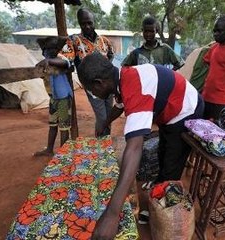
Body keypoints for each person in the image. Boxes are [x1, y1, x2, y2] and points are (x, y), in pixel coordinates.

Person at [77, 53, 204, 240]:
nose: (93, 94)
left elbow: (134, 148)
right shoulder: (120, 78)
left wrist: (112, 214)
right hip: (169, 113)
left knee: (171, 164)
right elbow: (119, 105)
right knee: (163, 152)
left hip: (186, 112)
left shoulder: (135, 88)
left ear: (99, 83)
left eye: (90, 91)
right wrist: (104, 122)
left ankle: (165, 214)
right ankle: (156, 201)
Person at [62, 8, 115, 137]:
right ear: (79, 23)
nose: (87, 26)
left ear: (94, 22)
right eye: (83, 23)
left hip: (108, 83)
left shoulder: (104, 40)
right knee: (102, 117)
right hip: (92, 86)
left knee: (109, 115)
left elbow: (111, 55)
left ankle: (104, 141)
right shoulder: (73, 40)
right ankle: (101, 143)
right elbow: (65, 58)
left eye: (89, 23)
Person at [34, 36, 74, 157]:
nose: (51, 51)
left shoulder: (60, 59)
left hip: (63, 98)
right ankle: (49, 149)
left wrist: (49, 61)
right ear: (44, 51)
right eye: (48, 49)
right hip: (53, 98)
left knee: (64, 126)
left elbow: (66, 63)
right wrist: (44, 63)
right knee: (52, 125)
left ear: (57, 50)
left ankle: (64, 153)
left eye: (53, 49)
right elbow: (37, 70)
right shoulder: (44, 63)